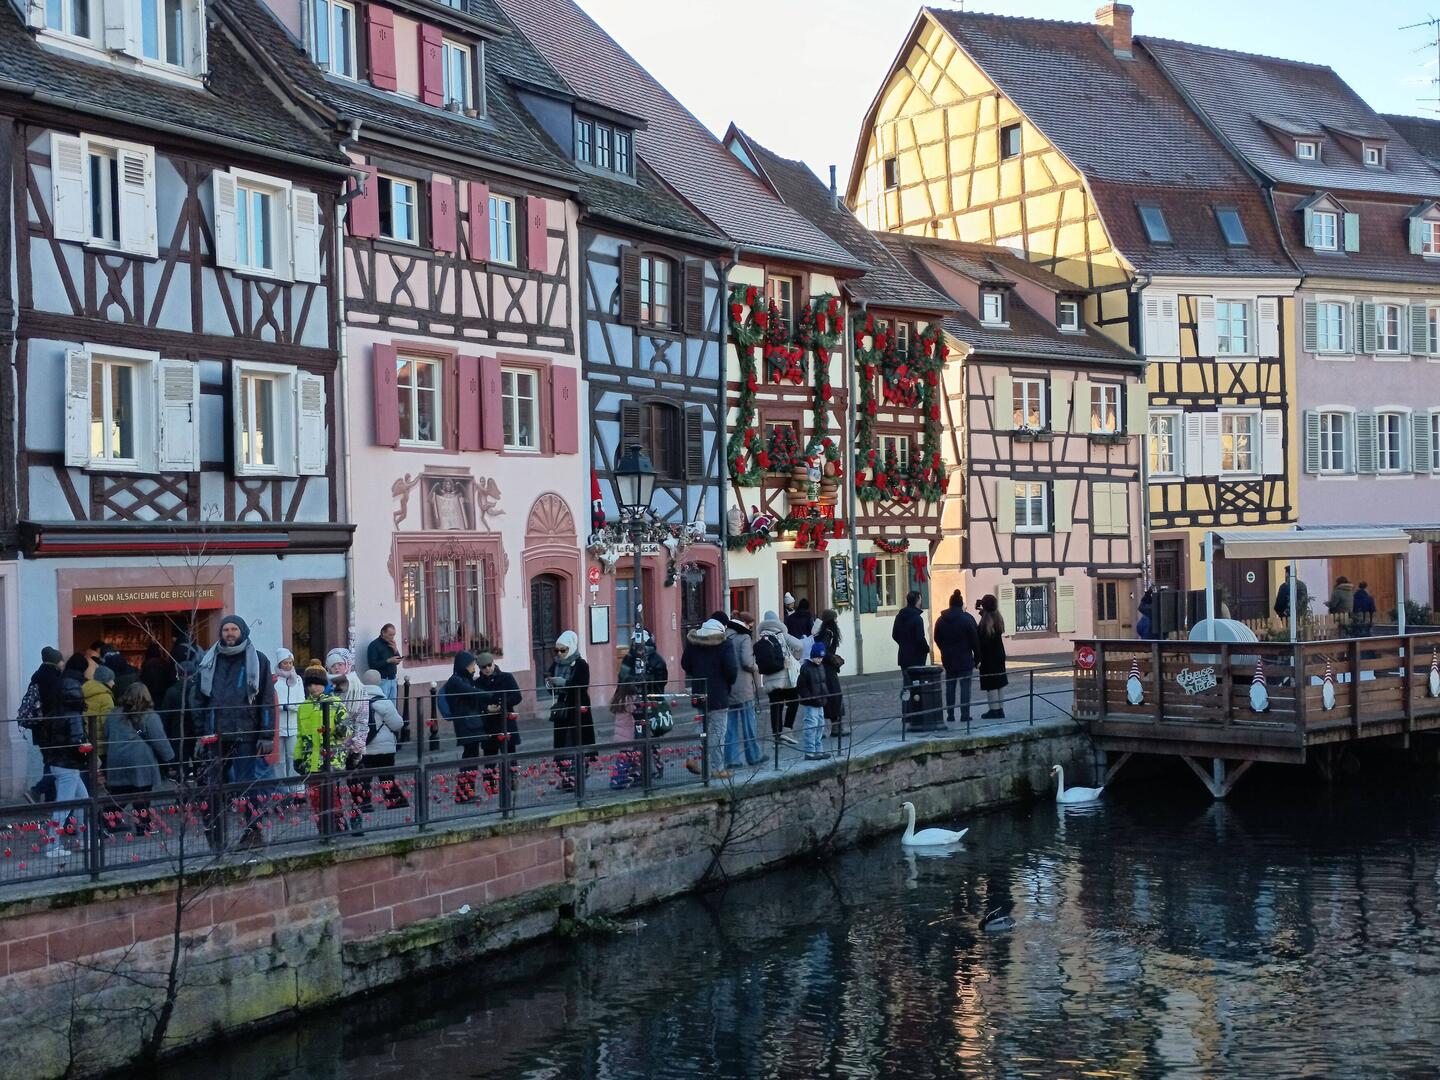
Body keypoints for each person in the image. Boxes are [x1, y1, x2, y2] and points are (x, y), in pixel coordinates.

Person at [191, 614, 276, 850]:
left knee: (248, 786)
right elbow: (198, 699)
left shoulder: (258, 660)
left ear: (242, 632)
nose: (229, 633)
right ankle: (216, 836)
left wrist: (266, 734)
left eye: (234, 629)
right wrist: (200, 731)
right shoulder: (209, 660)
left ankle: (253, 832)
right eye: (226, 629)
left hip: (246, 732)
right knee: (212, 786)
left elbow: (266, 699)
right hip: (215, 733)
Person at [38, 654, 93, 859]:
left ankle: (85, 838)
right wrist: (88, 750)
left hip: (57, 762)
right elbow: (78, 741)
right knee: (64, 806)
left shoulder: (53, 713)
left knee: (83, 800)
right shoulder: (74, 715)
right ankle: (53, 846)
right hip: (69, 764)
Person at [102, 683, 174, 836]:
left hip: (117, 759)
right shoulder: (150, 716)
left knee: (119, 794)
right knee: (142, 795)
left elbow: (106, 734)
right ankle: (143, 826)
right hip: (141, 760)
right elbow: (159, 740)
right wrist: (170, 758)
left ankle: (104, 821)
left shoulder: (113, 715)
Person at [293, 668, 353, 834]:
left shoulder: (335, 702)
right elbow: (300, 736)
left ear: (324, 684)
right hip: (310, 759)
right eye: (309, 684)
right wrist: (297, 757)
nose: (313, 688)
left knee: (331, 795)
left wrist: (341, 730)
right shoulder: (303, 707)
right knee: (315, 797)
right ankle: (323, 830)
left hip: (330, 758)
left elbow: (347, 728)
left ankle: (338, 827)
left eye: (316, 684)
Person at [681, 616, 738, 778]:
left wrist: (698, 673)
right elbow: (731, 669)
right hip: (719, 693)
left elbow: (685, 664)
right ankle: (718, 768)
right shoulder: (724, 643)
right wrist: (728, 682)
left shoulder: (694, 641)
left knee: (701, 725)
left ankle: (691, 757)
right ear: (723, 626)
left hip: (699, 690)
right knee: (718, 731)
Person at [547, 631, 593, 791]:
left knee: (577, 741)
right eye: (557, 650)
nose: (559, 653)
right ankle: (565, 778)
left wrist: (564, 683)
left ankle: (577, 777)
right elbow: (550, 688)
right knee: (562, 743)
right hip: (562, 709)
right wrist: (550, 683)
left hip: (578, 707)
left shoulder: (581, 664)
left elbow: (582, 685)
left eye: (563, 650)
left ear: (571, 648)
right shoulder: (556, 664)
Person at [474, 652, 522, 798]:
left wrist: (502, 705)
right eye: (483, 667)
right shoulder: (477, 683)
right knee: (490, 755)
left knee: (510, 752)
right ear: (479, 668)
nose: (487, 669)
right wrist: (486, 708)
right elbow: (476, 702)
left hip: (505, 720)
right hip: (489, 723)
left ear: (493, 663)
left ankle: (512, 779)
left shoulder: (506, 677)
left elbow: (517, 696)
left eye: (489, 665)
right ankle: (490, 784)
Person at [358, 670, 407, 812]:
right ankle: (393, 801)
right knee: (387, 776)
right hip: (385, 747)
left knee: (365, 778)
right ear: (379, 682)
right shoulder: (385, 702)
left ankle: (365, 804)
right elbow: (398, 724)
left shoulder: (357, 702)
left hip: (365, 747)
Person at [23, 647, 65, 804]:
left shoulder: (37, 677)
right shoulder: (54, 679)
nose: (63, 663)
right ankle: (37, 791)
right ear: (56, 661)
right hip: (52, 728)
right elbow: (55, 704)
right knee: (57, 763)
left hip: (39, 728)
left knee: (49, 761)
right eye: (61, 660)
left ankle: (49, 800)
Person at [442, 651, 485, 804]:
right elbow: (471, 692)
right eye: (472, 665)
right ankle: (464, 793)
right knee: (469, 759)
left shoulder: (465, 679)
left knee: (472, 757)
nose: (474, 668)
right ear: (464, 665)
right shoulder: (456, 681)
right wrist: (488, 694)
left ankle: (467, 792)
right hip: (466, 723)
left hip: (471, 722)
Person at [757, 611, 804, 747]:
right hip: (785, 678)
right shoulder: (782, 635)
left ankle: (776, 738)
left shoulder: (761, 638)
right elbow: (799, 645)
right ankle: (787, 730)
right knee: (794, 702)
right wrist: (795, 657)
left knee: (775, 707)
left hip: (769, 679)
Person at [724, 612, 765, 769]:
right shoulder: (744, 638)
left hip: (728, 686)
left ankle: (731, 759)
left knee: (730, 726)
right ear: (745, 624)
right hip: (743, 688)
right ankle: (753, 756)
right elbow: (747, 662)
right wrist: (756, 666)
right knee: (749, 724)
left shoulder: (723, 636)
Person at [933, 590, 979, 724]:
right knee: (965, 687)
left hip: (948, 658)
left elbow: (937, 638)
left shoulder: (941, 620)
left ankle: (950, 714)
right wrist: (977, 657)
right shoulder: (967, 619)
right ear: (961, 604)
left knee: (950, 686)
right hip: (965, 657)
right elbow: (975, 640)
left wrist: (944, 649)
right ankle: (965, 714)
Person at [272, 649, 305, 782]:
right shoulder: (274, 679)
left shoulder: (298, 679)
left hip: (293, 724)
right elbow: (272, 700)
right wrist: (283, 707)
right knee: (279, 759)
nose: (288, 665)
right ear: (279, 664)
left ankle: (296, 787)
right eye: (285, 663)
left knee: (293, 756)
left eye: (290, 662)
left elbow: (302, 698)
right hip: (278, 725)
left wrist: (297, 707)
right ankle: (280, 787)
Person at [795, 641, 831, 761]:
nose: (819, 660)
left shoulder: (821, 667)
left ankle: (818, 750)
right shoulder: (806, 668)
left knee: (820, 726)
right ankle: (809, 752)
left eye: (821, 657)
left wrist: (825, 696)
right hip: (811, 703)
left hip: (820, 702)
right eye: (817, 657)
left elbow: (823, 683)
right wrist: (810, 698)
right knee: (811, 727)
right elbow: (801, 687)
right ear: (812, 655)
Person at [815, 609, 846, 739]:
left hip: (825, 668)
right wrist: (832, 658)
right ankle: (835, 727)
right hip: (827, 669)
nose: (837, 621)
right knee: (835, 696)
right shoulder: (829, 633)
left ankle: (833, 726)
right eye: (835, 618)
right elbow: (823, 650)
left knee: (831, 696)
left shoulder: (824, 632)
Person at [977, 595, 1009, 719]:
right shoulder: (998, 618)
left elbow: (981, 637)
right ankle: (1000, 709)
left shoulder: (985, 623)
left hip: (988, 656)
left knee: (991, 683)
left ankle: (993, 710)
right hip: (999, 654)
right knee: (1000, 682)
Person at [892, 590, 930, 670]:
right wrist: (926, 648)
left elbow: (894, 635)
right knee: (917, 677)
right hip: (917, 657)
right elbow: (920, 638)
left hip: (903, 655)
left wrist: (903, 644)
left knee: (906, 677)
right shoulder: (917, 618)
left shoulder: (899, 616)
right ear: (918, 600)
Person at [366, 624, 404, 703]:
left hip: (393, 679)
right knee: (382, 705)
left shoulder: (391, 644)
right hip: (382, 681)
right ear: (383, 632)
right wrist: (388, 661)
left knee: (392, 706)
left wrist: (395, 650)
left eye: (393, 635)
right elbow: (372, 664)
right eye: (390, 635)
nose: (392, 637)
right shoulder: (374, 645)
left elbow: (396, 660)